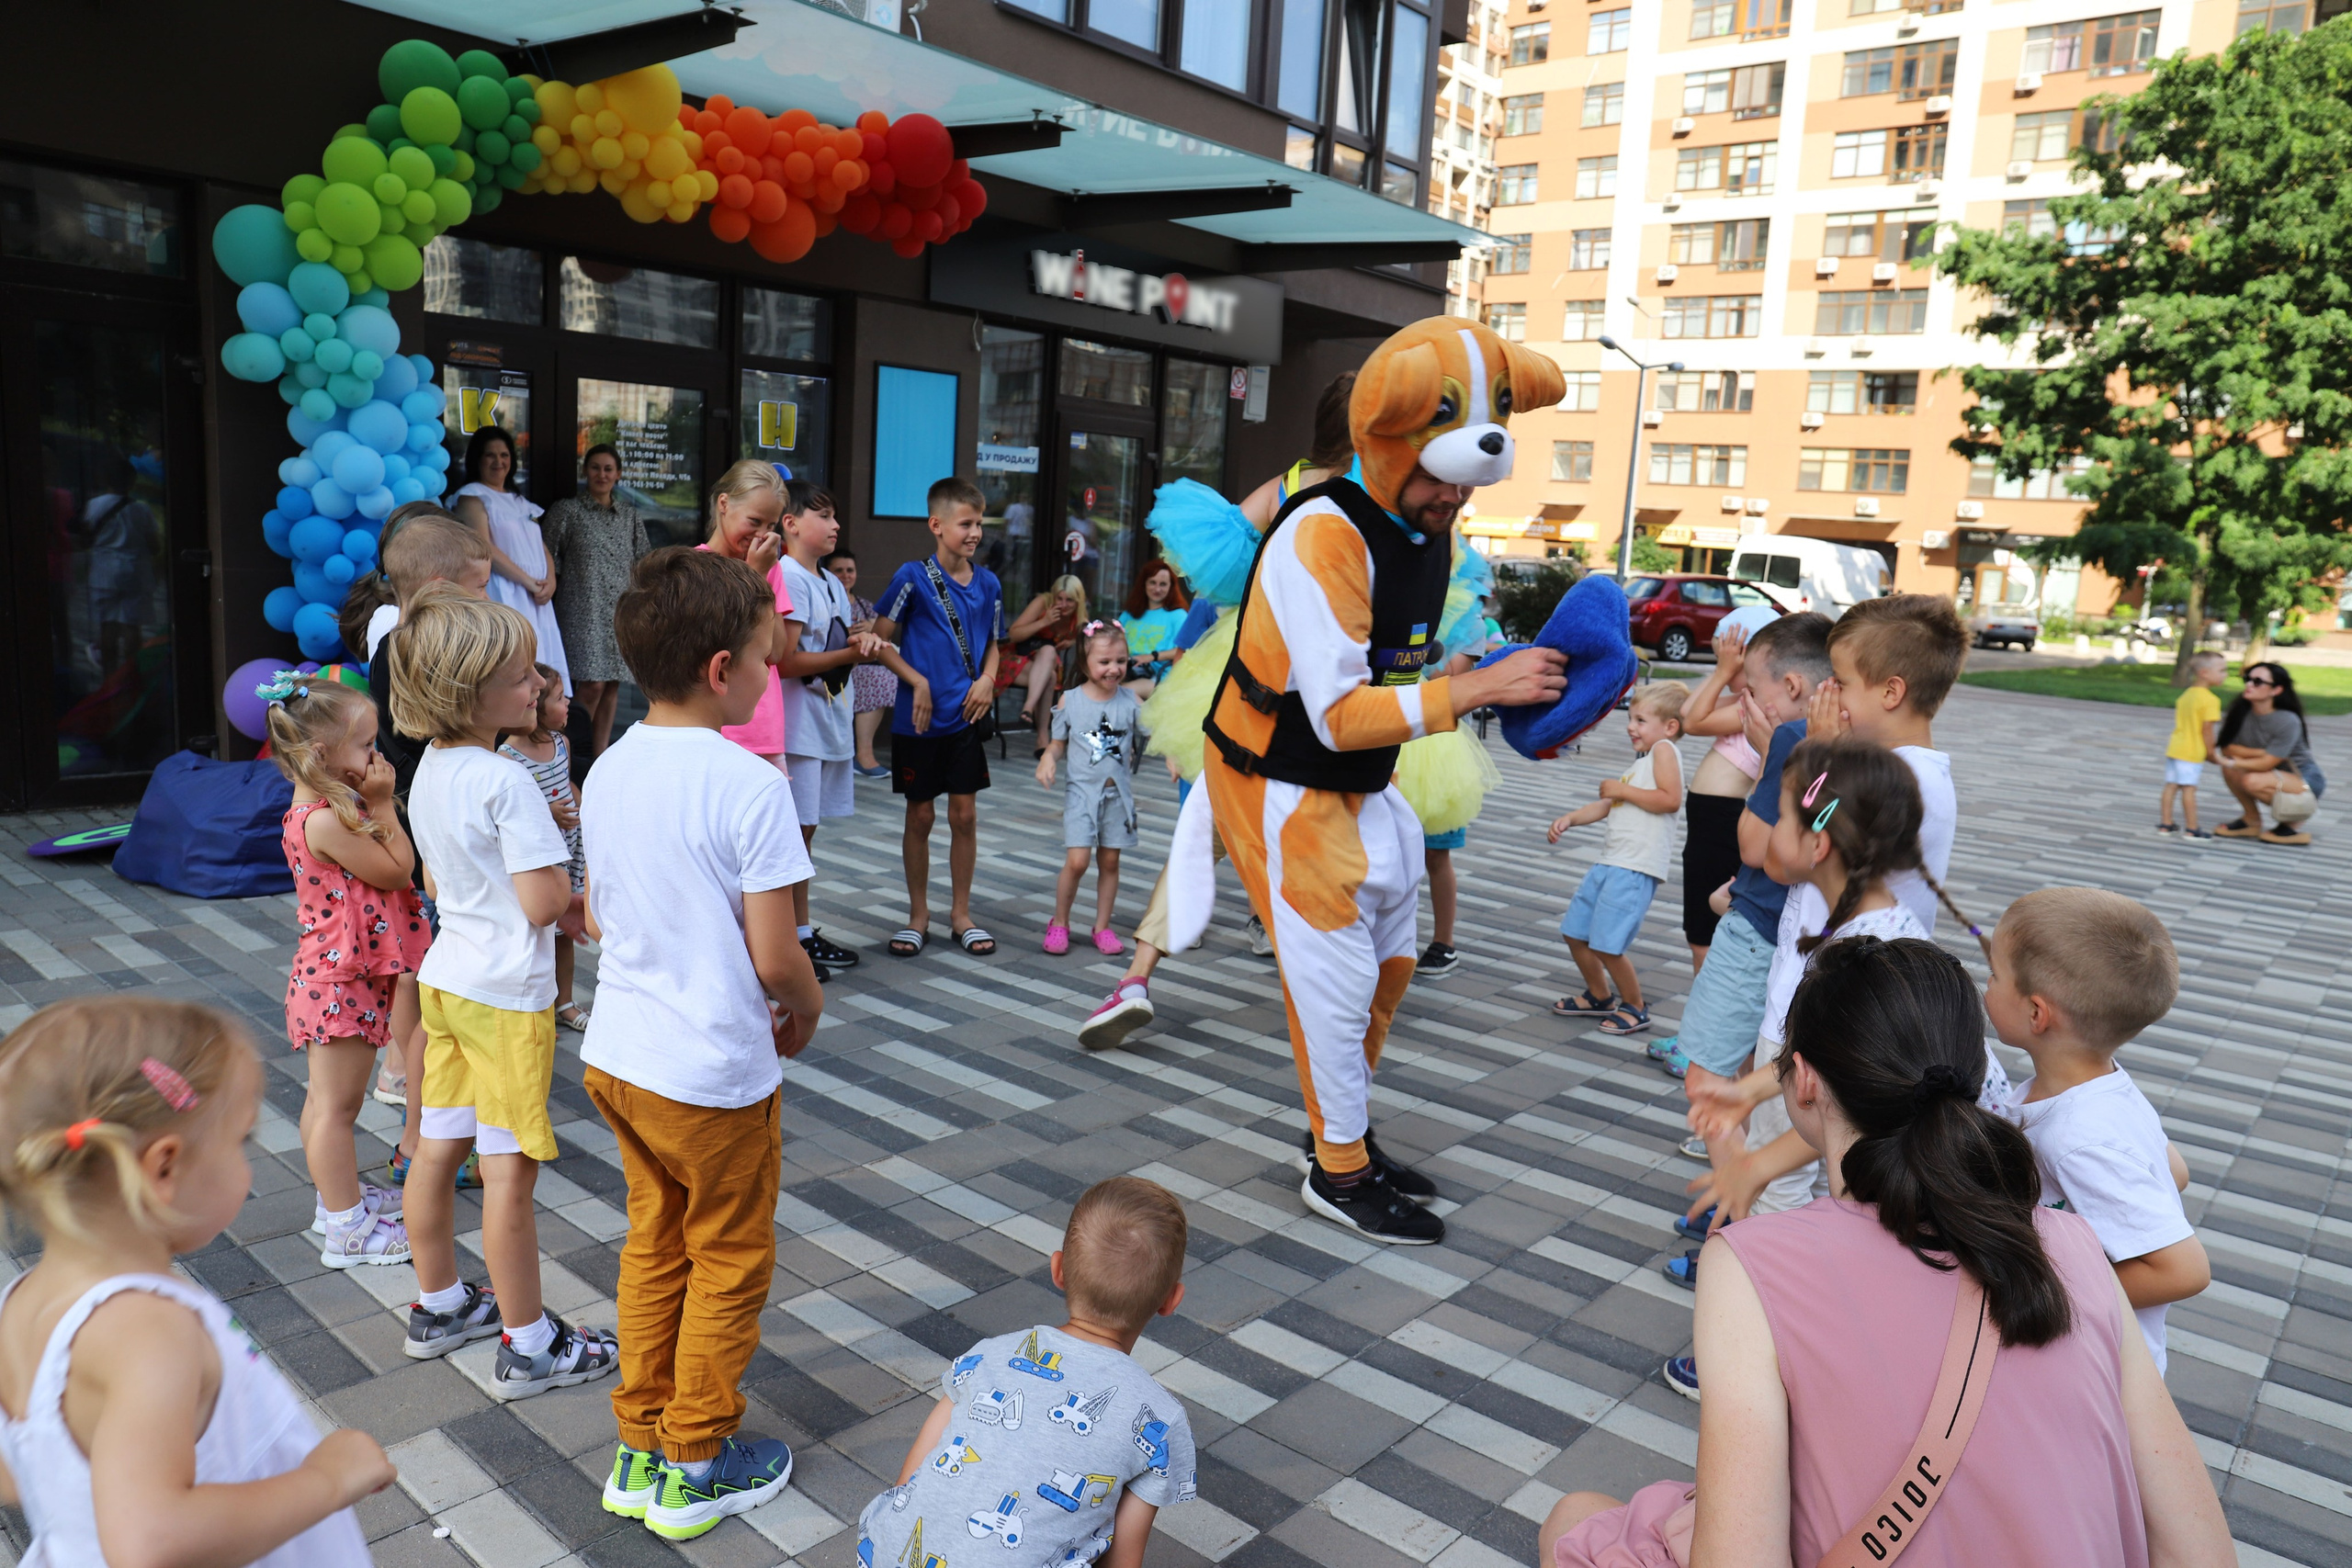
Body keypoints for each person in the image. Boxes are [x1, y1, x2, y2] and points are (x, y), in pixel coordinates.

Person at [1541, 938, 2235, 1568]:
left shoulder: (1749, 1266)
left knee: (1576, 1520)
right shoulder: (2072, 1243)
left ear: (1804, 1080)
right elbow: (2201, 1550)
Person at [1168, 318, 1572, 1245]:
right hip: (1279, 778)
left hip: (1355, 776)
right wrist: (1470, 689)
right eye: (1437, 476)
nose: (1452, 499)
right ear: (1384, 444)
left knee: (1393, 956)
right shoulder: (1322, 533)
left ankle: (1337, 1132)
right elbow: (1339, 710)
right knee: (1335, 982)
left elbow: (1390, 668)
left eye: (1465, 483)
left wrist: (1472, 674)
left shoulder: (1417, 525)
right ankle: (1338, 1172)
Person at [582, 547, 827, 1542]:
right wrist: (806, 1008)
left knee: (654, 1244)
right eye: (767, 658)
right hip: (711, 1076)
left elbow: (599, 915)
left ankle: (640, 1441)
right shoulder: (750, 786)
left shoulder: (607, 768)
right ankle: (694, 1462)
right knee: (726, 1260)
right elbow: (777, 957)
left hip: (620, 1059)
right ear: (723, 669)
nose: (773, 675)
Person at [0, 998, 389, 1566]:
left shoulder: (23, 1303)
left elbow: (25, 1468)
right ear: (163, 1167)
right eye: (241, 1141)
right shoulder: (147, 1330)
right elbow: (151, 1543)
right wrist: (328, 1480)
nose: (248, 1165)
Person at [1073, 372, 1359, 1049]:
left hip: (1250, 670)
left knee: (1211, 823)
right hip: (1321, 683)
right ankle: (1331, 985)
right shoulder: (1372, 499)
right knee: (1330, 832)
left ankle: (1138, 976)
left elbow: (1214, 582)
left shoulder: (1286, 486)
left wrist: (1183, 680)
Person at [1670, 738, 2004, 1315]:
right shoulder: (1860, 928)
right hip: (1932, 1161)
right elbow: (1830, 1062)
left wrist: (1755, 1165)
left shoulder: (1867, 960)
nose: (1770, 828)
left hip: (1945, 1173)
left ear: (1817, 843)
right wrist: (1745, 1091)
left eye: (1778, 813)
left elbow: (1869, 1099)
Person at [387, 582, 620, 1396]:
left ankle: (441, 1302)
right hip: (508, 998)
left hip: (447, 983)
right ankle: (530, 1343)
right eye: (524, 676)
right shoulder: (508, 780)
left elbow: (447, 884)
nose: (539, 687)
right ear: (468, 691)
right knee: (509, 1172)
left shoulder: (430, 771)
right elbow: (544, 905)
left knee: (435, 1145)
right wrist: (579, 883)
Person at [854, 1177, 1199, 1568]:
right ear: (1171, 1301)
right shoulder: (1159, 1419)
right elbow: (1123, 1559)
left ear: (1058, 1271)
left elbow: (913, 1475)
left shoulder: (990, 1354)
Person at [1984, 887, 2210, 1371]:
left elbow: (2184, 1270)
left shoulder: (2076, 1137)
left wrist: (2045, 1290)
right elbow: (2175, 1172)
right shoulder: (2103, 1085)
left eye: (1995, 974)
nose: (1985, 984)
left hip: (2101, 1371)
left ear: (2036, 1013)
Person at [262, 671, 430, 1269]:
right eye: (365, 745)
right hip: (341, 984)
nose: (376, 755)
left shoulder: (316, 807)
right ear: (320, 754)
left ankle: (338, 1202)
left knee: (323, 1103)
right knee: (337, 1109)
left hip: (332, 977)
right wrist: (384, 804)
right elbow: (396, 870)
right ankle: (346, 1229)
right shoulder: (329, 820)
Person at [1650, 611, 1833, 1083]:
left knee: (1705, 1080)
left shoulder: (1794, 739)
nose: (1746, 696)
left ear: (1792, 686)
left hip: (1756, 927)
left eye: (1751, 686)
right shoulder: (1830, 741)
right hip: (1764, 909)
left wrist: (1773, 752)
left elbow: (1757, 851)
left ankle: (1732, 1140)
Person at [362, 509, 492, 1177]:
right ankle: (424, 1142)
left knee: (430, 991)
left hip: (425, 836)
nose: (487, 604)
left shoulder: (402, 644)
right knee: (440, 1003)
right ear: (440, 585)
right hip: (436, 846)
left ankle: (426, 1137)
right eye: (479, 590)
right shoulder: (422, 650)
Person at [876, 478, 1006, 959]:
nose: (975, 532)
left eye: (979, 523)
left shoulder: (989, 582)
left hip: (967, 716)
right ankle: (918, 916)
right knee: (922, 814)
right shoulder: (912, 576)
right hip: (920, 720)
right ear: (937, 525)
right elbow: (879, 640)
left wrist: (989, 681)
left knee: (965, 815)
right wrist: (918, 681)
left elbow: (994, 643)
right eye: (966, 523)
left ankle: (961, 915)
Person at [1807, 593, 1967, 935]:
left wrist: (1819, 756)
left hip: (1853, 978)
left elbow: (1800, 848)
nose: (1827, 691)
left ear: (1891, 693)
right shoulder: (1891, 767)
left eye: (1840, 681)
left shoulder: (1907, 779)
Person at [775, 484, 881, 976]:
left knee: (806, 832)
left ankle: (798, 932)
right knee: (791, 834)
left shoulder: (832, 583)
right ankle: (784, 940)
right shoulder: (790, 577)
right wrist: (849, 653)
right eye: (824, 516)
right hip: (799, 728)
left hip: (828, 720)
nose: (835, 526)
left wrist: (860, 638)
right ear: (790, 523)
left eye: (836, 516)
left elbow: (836, 639)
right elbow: (788, 660)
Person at [1548, 682, 1688, 1037]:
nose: (1631, 726)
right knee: (1575, 932)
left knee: (1608, 944)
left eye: (1641, 720)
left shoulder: (1664, 751)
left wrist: (1622, 789)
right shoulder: (1640, 764)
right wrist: (1571, 818)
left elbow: (1670, 799)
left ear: (1669, 727)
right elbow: (1609, 804)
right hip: (1610, 862)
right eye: (1631, 718)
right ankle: (1599, 996)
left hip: (1635, 866)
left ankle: (1636, 1006)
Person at [1667, 608, 1778, 980]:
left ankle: (1700, 1035)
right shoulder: (1745, 697)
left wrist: (1721, 673)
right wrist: (1725, 670)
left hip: (1721, 823)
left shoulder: (1758, 705)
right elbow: (1688, 710)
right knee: (1699, 931)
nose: (1726, 671)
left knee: (1704, 935)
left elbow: (1692, 722)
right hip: (1710, 823)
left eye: (1732, 663)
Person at [1038, 623, 1147, 955]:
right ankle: (1059, 921)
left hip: (1118, 798)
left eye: (1121, 660)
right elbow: (1057, 744)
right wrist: (1048, 758)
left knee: (1110, 861)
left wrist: (1173, 757)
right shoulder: (1070, 701)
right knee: (1078, 861)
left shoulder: (1131, 701)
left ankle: (1102, 926)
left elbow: (1157, 733)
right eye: (1104, 662)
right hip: (1081, 794)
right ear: (1085, 664)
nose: (1114, 668)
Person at [543, 442, 651, 758]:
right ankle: (572, 751)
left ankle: (600, 755)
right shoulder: (567, 511)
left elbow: (643, 560)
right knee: (591, 685)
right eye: (595, 468)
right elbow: (546, 555)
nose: (601, 474)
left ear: (617, 474)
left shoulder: (629, 516)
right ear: (585, 471)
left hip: (619, 609)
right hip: (582, 608)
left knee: (612, 684)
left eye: (608, 469)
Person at [499, 665, 590, 1032]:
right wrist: (549, 812)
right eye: (558, 697)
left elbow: (566, 784)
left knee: (565, 932)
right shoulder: (507, 757)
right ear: (536, 707)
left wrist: (581, 809)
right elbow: (520, 812)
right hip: (541, 857)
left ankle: (564, 1001)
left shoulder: (561, 744)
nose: (568, 702)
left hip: (568, 850)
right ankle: (534, 1002)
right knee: (538, 931)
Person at [697, 460, 799, 776]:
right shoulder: (694, 566)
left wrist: (763, 575)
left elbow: (777, 651)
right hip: (713, 727)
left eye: (770, 526)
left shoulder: (772, 568)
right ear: (724, 504)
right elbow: (711, 644)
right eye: (754, 521)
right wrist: (753, 575)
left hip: (763, 729)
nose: (762, 535)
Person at [453, 425, 570, 694]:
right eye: (490, 455)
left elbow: (541, 546)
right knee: (515, 664)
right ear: (477, 460)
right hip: (505, 591)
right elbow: (484, 547)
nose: (498, 462)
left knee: (544, 666)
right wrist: (528, 581)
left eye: (504, 455)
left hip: (536, 595)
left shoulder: (520, 501)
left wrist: (550, 580)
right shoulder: (473, 496)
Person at [2214, 659, 2326, 845]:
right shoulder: (2241, 713)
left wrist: (2235, 761)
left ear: (2276, 690)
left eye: (2257, 682)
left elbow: (2268, 763)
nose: (2249, 684)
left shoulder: (2287, 720)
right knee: (2231, 771)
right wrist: (2261, 753)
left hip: (2304, 778)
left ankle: (2291, 824)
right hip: (2271, 772)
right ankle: (2251, 820)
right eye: (2247, 679)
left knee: (2250, 779)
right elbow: (2227, 747)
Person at [831, 547, 897, 779]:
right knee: (881, 678)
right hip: (839, 666)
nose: (846, 575)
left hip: (867, 663)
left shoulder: (865, 604)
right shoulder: (828, 600)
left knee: (888, 676)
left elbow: (882, 633)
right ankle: (864, 755)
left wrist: (872, 629)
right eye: (838, 570)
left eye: (850, 570)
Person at [1006, 574, 1089, 754]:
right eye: (1060, 598)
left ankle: (1032, 719)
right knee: (1049, 658)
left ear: (1078, 601)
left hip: (1043, 668)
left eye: (1070, 600)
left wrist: (1073, 642)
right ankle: (1040, 733)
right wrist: (1044, 622)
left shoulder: (1079, 617)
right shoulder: (1043, 603)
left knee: (1050, 671)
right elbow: (1013, 634)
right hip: (1015, 661)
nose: (1063, 604)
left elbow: (1090, 637)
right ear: (1053, 596)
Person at [1119, 558, 1192, 697]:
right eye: (1153, 582)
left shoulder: (1178, 615)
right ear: (1144, 584)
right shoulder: (1129, 614)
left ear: (1171, 587)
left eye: (1163, 584)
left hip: (1159, 676)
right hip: (1125, 670)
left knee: (1122, 693)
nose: (1157, 589)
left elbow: (1185, 649)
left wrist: (1151, 657)